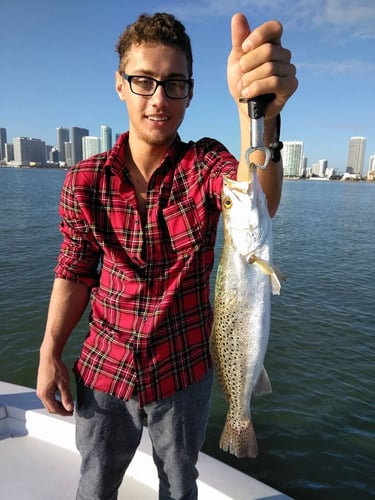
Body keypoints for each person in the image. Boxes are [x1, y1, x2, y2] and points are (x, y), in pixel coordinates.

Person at [37, 11, 297, 500]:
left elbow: (255, 196)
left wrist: (257, 112)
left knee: (179, 489)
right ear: (120, 86)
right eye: (144, 82)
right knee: (93, 488)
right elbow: (73, 271)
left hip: (183, 374)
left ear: (191, 92)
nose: (159, 99)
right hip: (104, 371)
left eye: (174, 84)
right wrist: (50, 351)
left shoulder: (203, 164)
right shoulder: (84, 181)